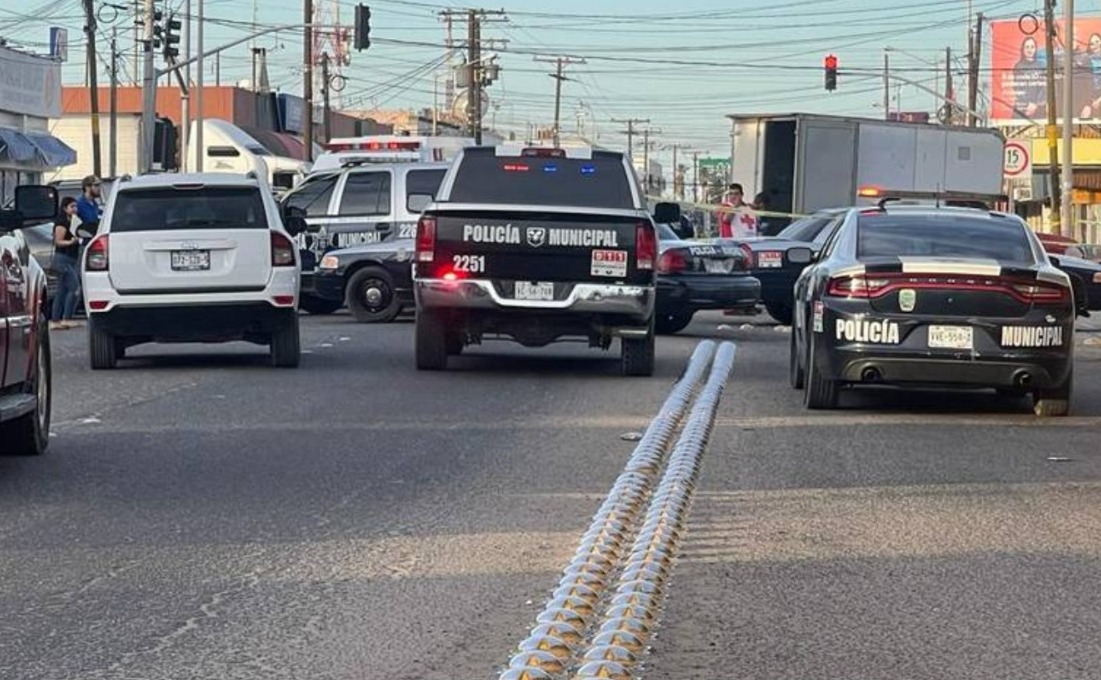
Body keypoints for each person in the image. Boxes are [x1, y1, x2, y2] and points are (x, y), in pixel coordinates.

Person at [50, 197, 82, 330]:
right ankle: (66, 317)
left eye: (76, 206)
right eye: (72, 207)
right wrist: (71, 242)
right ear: (65, 208)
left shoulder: (75, 221)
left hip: (71, 258)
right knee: (75, 288)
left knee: (62, 291)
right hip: (62, 258)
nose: (75, 209)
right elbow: (58, 241)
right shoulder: (62, 223)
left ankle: (56, 320)